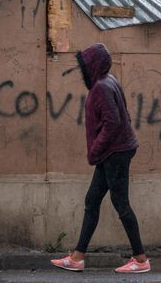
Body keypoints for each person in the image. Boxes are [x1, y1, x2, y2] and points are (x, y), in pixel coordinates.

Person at [51, 43, 150, 274]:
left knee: (121, 204)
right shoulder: (108, 81)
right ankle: (77, 257)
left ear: (93, 65)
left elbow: (113, 122)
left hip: (114, 153)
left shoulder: (102, 87)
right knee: (92, 200)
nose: (83, 70)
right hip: (114, 152)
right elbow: (121, 115)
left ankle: (141, 260)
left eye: (85, 65)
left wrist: (95, 149)